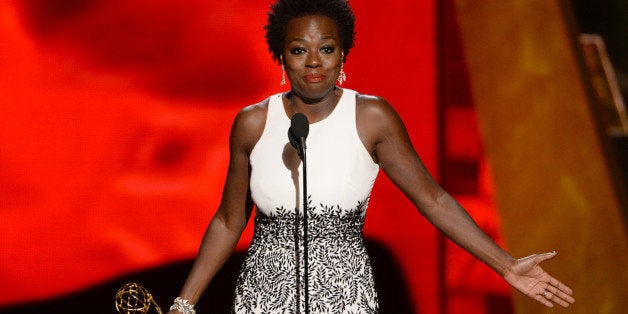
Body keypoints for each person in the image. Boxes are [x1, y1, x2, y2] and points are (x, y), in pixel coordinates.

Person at [167, 1, 576, 313]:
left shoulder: (371, 117)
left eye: (326, 48)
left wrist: (505, 265)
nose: (314, 62)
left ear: (343, 53)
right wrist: (184, 304)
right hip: (263, 295)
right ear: (280, 55)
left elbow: (432, 198)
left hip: (345, 295)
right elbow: (228, 219)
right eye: (298, 49)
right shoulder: (253, 123)